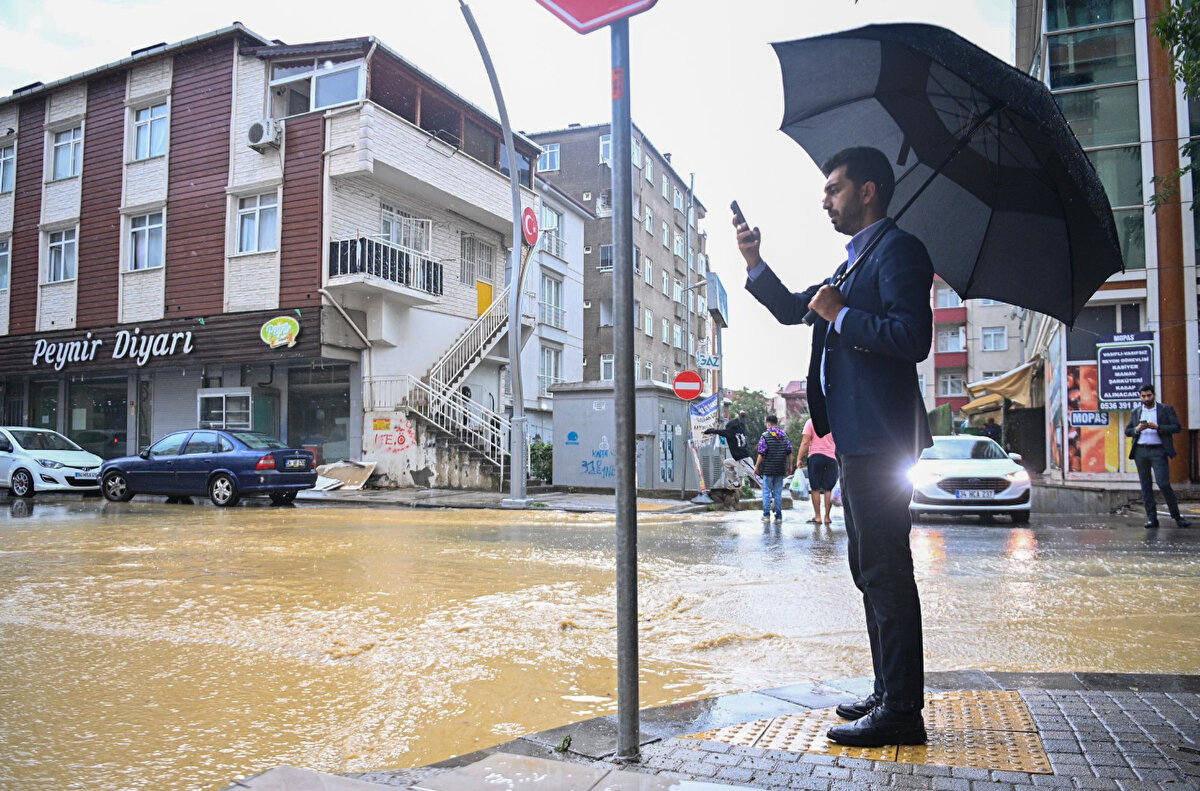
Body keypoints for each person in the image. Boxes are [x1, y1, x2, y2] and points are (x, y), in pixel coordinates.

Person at [738, 146, 933, 748]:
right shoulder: (852, 262)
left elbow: (913, 337)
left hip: (880, 435)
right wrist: (755, 261)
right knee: (866, 568)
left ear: (868, 191)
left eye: (834, 189)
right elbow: (798, 310)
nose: (825, 201)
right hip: (855, 438)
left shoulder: (899, 250)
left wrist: (844, 315)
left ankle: (902, 710)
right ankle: (886, 689)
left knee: (886, 570)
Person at [1125, 383, 1191, 529]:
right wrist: (1137, 429)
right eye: (1143, 396)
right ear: (1139, 396)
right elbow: (1128, 431)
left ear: (1154, 395)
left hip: (1158, 451)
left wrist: (1158, 427)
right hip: (1140, 451)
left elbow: (1177, 427)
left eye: (1149, 395)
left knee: (1163, 484)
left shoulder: (1165, 409)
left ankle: (1177, 517)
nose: (1147, 398)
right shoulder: (1136, 411)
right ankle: (1152, 519)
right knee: (1146, 486)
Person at [798, 417, 838, 525]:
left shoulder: (811, 422)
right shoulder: (833, 421)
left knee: (815, 489)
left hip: (815, 457)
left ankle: (818, 517)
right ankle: (827, 517)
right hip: (831, 458)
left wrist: (799, 458)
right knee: (828, 489)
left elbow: (805, 442)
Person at [754, 414, 792, 524]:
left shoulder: (765, 435)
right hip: (780, 469)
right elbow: (789, 452)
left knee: (766, 492)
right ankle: (779, 516)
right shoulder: (784, 436)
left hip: (768, 469)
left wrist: (756, 466)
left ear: (768, 423)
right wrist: (790, 466)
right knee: (778, 493)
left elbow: (761, 453)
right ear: (776, 423)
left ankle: (766, 515)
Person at [704, 409, 758, 483]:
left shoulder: (729, 432)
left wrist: (706, 431)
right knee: (726, 463)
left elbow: (716, 431)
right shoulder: (741, 428)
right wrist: (742, 414)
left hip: (744, 460)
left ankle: (768, 489)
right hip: (738, 459)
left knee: (755, 476)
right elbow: (742, 421)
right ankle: (735, 482)